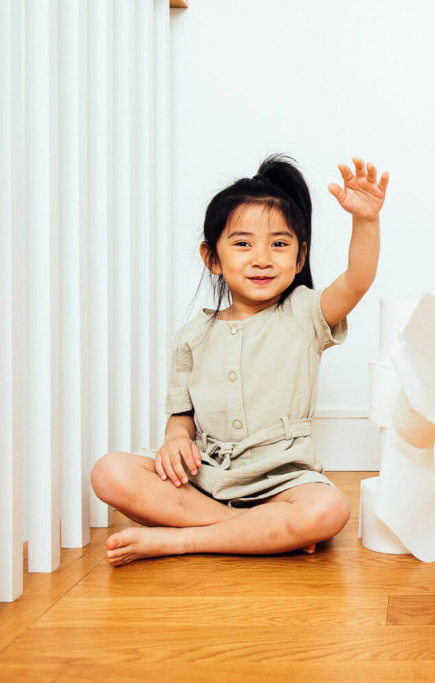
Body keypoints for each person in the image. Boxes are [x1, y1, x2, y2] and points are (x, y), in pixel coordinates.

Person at [90, 154, 387, 567]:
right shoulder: (192, 334)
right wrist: (176, 439)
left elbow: (357, 279)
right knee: (109, 471)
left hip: (281, 479)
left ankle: (180, 541)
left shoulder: (305, 313)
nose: (262, 258)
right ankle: (256, 533)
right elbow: (181, 415)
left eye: (279, 244)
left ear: (299, 259)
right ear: (212, 258)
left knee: (328, 509)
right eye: (243, 243)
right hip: (207, 476)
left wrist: (365, 221)